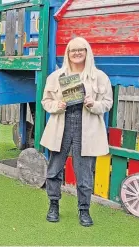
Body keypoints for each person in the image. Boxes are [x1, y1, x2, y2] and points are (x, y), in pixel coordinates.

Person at [40, 37, 112, 227]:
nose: (77, 53)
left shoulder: (99, 77)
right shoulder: (56, 76)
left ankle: (84, 210)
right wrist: (58, 105)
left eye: (81, 49)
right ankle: (53, 204)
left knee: (84, 173)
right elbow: (45, 101)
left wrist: (93, 104)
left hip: (87, 128)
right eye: (73, 50)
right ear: (68, 53)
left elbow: (107, 103)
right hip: (61, 126)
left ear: (87, 52)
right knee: (54, 169)